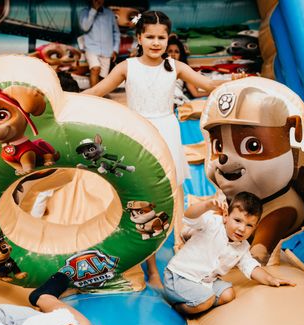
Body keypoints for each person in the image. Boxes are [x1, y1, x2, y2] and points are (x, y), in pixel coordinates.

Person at [83, 10, 238, 289]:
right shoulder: (126, 67)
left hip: (167, 131)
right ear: (139, 38)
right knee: (144, 202)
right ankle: (151, 268)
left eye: (162, 37)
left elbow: (209, 84)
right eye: (150, 36)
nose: (156, 42)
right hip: (139, 134)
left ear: (168, 39)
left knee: (169, 198)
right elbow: (97, 91)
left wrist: (234, 81)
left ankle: (182, 256)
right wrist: (64, 98)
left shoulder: (174, 67)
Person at [162, 192, 295, 316]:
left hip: (205, 281)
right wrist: (207, 205)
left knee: (228, 294)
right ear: (226, 216)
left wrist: (271, 279)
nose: (242, 229)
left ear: (255, 228)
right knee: (207, 300)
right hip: (180, 276)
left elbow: (252, 267)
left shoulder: (242, 247)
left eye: (249, 225)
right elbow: (189, 217)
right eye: (237, 220)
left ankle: (201, 301)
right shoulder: (212, 223)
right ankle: (181, 307)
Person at [78, 0, 121, 87]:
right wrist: (93, 11)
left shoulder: (109, 14)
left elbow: (116, 32)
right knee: (95, 69)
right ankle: (93, 97)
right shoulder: (84, 12)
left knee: (103, 77)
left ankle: (99, 97)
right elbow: (85, 27)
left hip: (107, 50)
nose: (98, 1)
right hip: (91, 48)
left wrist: (115, 49)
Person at [165, 35, 202, 105]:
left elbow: (195, 93)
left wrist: (216, 91)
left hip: (176, 98)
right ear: (165, 53)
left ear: (180, 55)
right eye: (170, 51)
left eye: (176, 52)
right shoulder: (158, 67)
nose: (173, 54)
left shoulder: (183, 70)